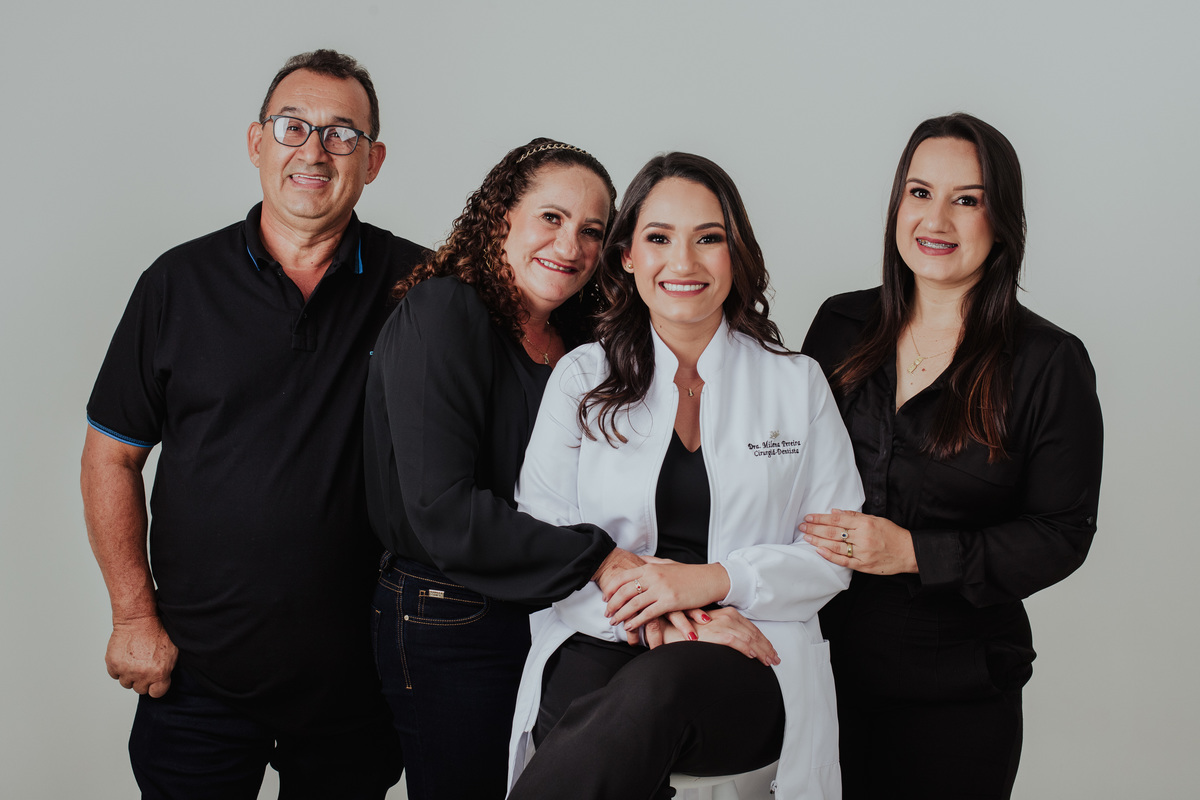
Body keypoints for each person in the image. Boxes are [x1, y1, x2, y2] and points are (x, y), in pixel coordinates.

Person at [80, 49, 424, 799]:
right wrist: (133, 618)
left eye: (342, 134)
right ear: (256, 142)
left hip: (358, 678)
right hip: (197, 673)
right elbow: (111, 457)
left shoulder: (420, 290)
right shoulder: (177, 283)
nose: (314, 151)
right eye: (293, 126)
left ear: (373, 161)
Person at [505, 153, 865, 800]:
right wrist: (661, 617)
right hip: (602, 630)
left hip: (745, 648)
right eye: (659, 238)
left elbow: (832, 551)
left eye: (708, 238)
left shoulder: (795, 384)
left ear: (736, 253)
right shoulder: (583, 378)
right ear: (627, 257)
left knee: (657, 690)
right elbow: (545, 534)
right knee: (587, 709)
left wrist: (714, 583)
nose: (683, 262)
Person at [799, 113, 1104, 799]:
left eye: (967, 199)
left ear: (1002, 219)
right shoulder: (840, 325)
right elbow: (779, 470)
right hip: (816, 670)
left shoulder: (1048, 362)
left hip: (955, 691)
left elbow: (1062, 533)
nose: (935, 220)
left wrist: (914, 552)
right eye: (920, 192)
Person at [363, 138, 650, 800]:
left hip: (559, 610)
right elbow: (443, 511)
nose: (570, 245)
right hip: (449, 617)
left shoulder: (585, 341)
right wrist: (602, 560)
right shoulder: (445, 311)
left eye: (591, 231)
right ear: (501, 218)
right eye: (552, 217)